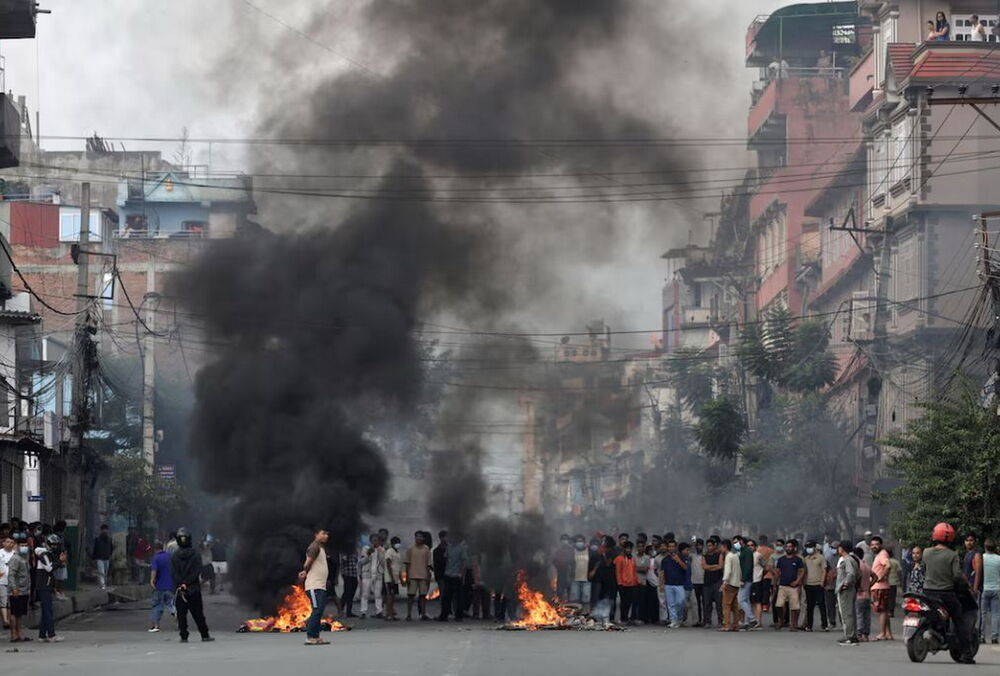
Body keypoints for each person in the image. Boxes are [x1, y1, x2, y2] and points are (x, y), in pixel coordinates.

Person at [923, 523, 974, 663]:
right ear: (951, 537)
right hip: (946, 594)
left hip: (927, 593)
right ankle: (967, 655)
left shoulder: (926, 552)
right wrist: (966, 585)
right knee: (959, 621)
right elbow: (957, 575)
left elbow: (924, 569)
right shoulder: (953, 555)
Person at [169, 527, 213, 643]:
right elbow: (197, 571)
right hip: (193, 588)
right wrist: (187, 582)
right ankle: (204, 635)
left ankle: (184, 636)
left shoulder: (175, 556)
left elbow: (173, 573)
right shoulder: (195, 554)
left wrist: (181, 583)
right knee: (198, 614)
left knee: (181, 615)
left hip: (180, 590)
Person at [298, 528, 330, 646]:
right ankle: (310, 637)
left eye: (327, 534)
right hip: (314, 586)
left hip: (320, 585)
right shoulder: (314, 547)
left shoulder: (321, 548)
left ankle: (316, 637)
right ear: (316, 534)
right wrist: (304, 571)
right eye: (323, 533)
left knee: (319, 611)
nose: (326, 536)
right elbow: (308, 562)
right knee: (316, 611)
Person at [35, 534, 63, 642]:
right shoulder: (43, 554)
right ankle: (51, 635)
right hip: (44, 586)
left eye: (56, 545)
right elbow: (49, 568)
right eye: (53, 545)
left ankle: (42, 635)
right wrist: (59, 561)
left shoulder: (47, 554)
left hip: (47, 585)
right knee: (48, 611)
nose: (55, 547)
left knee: (46, 611)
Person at [774, 539, 805, 631]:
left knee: (794, 607)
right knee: (779, 605)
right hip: (782, 586)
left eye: (790, 547)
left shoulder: (798, 560)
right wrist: (775, 584)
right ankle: (781, 620)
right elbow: (777, 572)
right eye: (787, 547)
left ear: (794, 548)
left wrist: (797, 581)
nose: (788, 548)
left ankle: (793, 625)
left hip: (793, 587)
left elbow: (802, 571)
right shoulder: (781, 559)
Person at [403, 531, 431, 621]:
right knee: (410, 596)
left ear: (423, 538)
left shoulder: (426, 549)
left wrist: (428, 577)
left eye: (420, 537)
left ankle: (423, 614)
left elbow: (428, 565)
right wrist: (407, 577)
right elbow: (407, 564)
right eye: (417, 537)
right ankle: (408, 615)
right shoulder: (410, 549)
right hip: (412, 576)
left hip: (423, 576)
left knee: (423, 596)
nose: (419, 538)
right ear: (415, 538)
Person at [835, 540, 859, 646]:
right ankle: (852, 635)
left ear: (842, 548)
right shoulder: (852, 559)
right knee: (849, 612)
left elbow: (851, 573)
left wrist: (845, 584)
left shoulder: (847, 559)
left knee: (846, 613)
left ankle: (849, 636)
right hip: (849, 589)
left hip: (846, 590)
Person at [6, 534, 29, 643]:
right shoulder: (15, 558)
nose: (24, 547)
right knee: (14, 613)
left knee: (20, 613)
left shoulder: (24, 557)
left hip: (24, 590)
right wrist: (14, 588)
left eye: (26, 545)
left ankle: (19, 633)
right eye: (22, 545)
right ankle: (13, 634)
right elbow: (11, 575)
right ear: (17, 546)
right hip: (16, 590)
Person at [658, 539, 686, 628]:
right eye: (669, 546)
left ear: (676, 547)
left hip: (679, 584)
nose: (671, 548)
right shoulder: (665, 560)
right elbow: (662, 572)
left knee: (680, 601)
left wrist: (678, 560)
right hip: (668, 584)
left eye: (673, 546)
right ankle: (673, 620)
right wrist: (661, 584)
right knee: (671, 603)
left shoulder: (681, 556)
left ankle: (680, 618)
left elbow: (686, 568)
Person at [869, 535, 892, 641]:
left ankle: (883, 633)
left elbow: (888, 565)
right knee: (885, 611)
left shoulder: (882, 554)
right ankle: (888, 633)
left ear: (881, 545)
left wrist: (881, 577)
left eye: (876, 544)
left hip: (880, 587)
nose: (874, 546)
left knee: (882, 611)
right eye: (872, 545)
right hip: (881, 587)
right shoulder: (880, 555)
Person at [803, 540, 829, 631]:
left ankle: (824, 625)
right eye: (807, 547)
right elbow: (805, 572)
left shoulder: (821, 558)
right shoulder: (806, 559)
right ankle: (809, 625)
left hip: (818, 584)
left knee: (821, 605)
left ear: (814, 547)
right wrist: (804, 582)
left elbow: (824, 570)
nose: (808, 549)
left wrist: (822, 582)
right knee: (810, 606)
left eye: (810, 547)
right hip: (808, 584)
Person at [440, 533, 467, 622]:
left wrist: (461, 575)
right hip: (449, 575)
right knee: (448, 597)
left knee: (456, 597)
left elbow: (463, 563)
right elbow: (446, 558)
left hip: (455, 575)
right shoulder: (450, 547)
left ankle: (457, 615)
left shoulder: (461, 548)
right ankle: (446, 615)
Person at [149, 541, 175, 633]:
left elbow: (154, 570)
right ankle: (178, 617)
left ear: (155, 549)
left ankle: (156, 626)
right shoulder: (169, 556)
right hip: (170, 585)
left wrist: (152, 580)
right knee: (171, 603)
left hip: (159, 586)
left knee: (157, 605)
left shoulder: (156, 558)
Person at [613, 540, 639, 624]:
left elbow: (634, 571)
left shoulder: (632, 559)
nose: (628, 550)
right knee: (623, 602)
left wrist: (636, 581)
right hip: (623, 584)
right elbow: (618, 571)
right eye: (627, 548)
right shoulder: (619, 558)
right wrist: (619, 583)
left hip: (632, 584)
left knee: (629, 602)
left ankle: (627, 618)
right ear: (624, 549)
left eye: (630, 548)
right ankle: (622, 618)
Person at [359, 533, 385, 619]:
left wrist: (380, 553)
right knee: (365, 593)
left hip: (378, 574)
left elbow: (383, 563)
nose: (375, 542)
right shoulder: (365, 549)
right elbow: (361, 562)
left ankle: (379, 611)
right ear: (370, 541)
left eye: (377, 540)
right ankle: (363, 611)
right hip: (367, 574)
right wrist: (368, 555)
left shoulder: (382, 550)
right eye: (373, 540)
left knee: (378, 594)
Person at [720, 539, 741, 632]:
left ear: (725, 547)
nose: (720, 549)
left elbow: (728, 571)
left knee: (726, 605)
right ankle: (736, 625)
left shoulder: (728, 557)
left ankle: (727, 625)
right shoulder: (735, 556)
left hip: (729, 584)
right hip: (736, 584)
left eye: (721, 547)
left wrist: (724, 582)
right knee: (734, 606)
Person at [702, 537, 724, 628]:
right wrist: (714, 566)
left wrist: (709, 567)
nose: (709, 547)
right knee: (707, 604)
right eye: (708, 546)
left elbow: (720, 566)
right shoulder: (705, 555)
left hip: (717, 581)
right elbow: (704, 567)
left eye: (710, 545)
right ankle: (708, 621)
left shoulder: (719, 555)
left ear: (714, 545)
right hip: (707, 582)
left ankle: (720, 621)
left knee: (719, 603)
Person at [982, 539, 1000, 644]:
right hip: (996, 589)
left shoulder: (982, 558)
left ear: (985, 547)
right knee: (995, 614)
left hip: (985, 588)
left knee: (983, 613)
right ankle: (994, 637)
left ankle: (982, 636)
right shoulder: (999, 559)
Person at [735, 536, 754, 629]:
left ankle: (752, 618)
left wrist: (743, 579)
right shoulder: (743, 551)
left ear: (741, 541)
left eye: (736, 542)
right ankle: (747, 622)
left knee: (740, 599)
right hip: (745, 578)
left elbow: (748, 567)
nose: (735, 544)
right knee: (746, 600)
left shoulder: (747, 551)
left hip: (746, 579)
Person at [854, 546, 872, 642]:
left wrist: (858, 586)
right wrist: (869, 586)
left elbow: (857, 577)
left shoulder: (857, 566)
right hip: (867, 594)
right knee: (866, 615)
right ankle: (866, 634)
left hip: (859, 594)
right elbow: (875, 577)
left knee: (859, 614)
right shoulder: (866, 566)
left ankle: (860, 634)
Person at [570, 535, 591, 613]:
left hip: (586, 579)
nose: (580, 543)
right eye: (578, 541)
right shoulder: (572, 552)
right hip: (575, 579)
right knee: (575, 600)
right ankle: (576, 616)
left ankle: (585, 615)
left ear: (584, 542)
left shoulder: (588, 551)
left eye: (581, 541)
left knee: (586, 600)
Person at [91, 524, 113, 590]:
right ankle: (103, 585)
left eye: (106, 530)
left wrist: (110, 556)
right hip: (99, 558)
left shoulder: (109, 540)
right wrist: (94, 558)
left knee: (105, 573)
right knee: (101, 572)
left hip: (107, 558)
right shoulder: (97, 539)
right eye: (103, 530)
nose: (105, 531)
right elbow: (95, 549)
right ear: (101, 530)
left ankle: (103, 584)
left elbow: (111, 549)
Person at [553, 534, 574, 602]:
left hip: (570, 574)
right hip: (561, 574)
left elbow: (574, 561)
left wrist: (571, 567)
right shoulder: (558, 551)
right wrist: (559, 566)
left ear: (568, 540)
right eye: (563, 540)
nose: (564, 541)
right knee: (560, 592)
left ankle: (570, 608)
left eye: (566, 539)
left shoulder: (572, 550)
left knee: (570, 592)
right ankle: (559, 608)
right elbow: (554, 561)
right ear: (561, 541)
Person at [689, 538, 705, 626]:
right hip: (694, 581)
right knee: (696, 602)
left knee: (704, 602)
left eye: (700, 545)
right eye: (697, 545)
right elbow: (687, 553)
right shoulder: (692, 556)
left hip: (704, 582)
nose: (699, 547)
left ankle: (704, 620)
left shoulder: (705, 555)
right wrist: (692, 544)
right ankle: (697, 620)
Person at [340, 548, 359, 618]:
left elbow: (356, 562)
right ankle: (341, 610)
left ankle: (349, 612)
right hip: (347, 575)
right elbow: (343, 562)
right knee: (347, 593)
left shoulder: (355, 551)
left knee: (351, 594)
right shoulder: (345, 551)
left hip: (354, 574)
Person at [887, 547, 902, 619]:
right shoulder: (896, 562)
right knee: (892, 598)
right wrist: (900, 581)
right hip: (894, 582)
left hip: (886, 583)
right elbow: (899, 572)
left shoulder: (884, 561)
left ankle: (886, 611)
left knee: (886, 598)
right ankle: (891, 611)